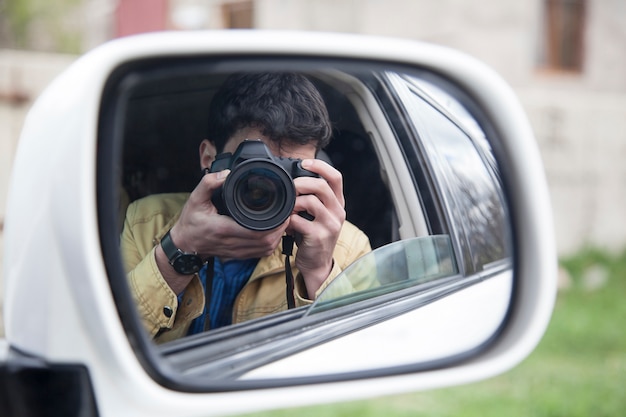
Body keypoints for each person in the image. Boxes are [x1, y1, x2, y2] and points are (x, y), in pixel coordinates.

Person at [120, 72, 372, 343]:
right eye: (252, 168)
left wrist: (319, 270)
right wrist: (178, 250)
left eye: (289, 172)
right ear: (209, 158)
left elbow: (351, 358)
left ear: (315, 173)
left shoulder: (346, 246)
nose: (267, 187)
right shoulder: (146, 222)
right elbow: (113, 340)